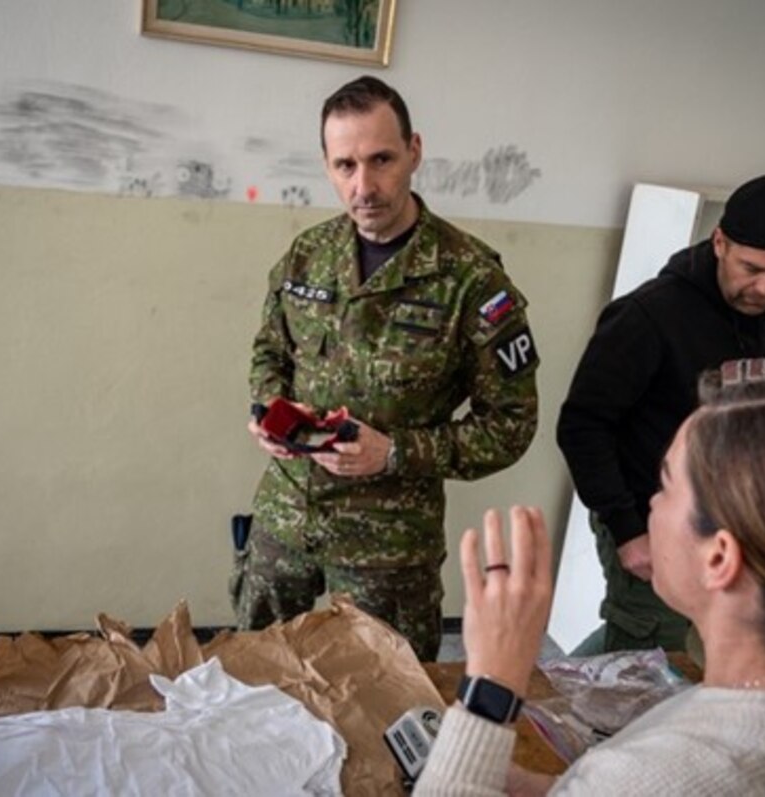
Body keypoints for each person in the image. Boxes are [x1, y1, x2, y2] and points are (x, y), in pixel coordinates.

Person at [416, 383, 765, 796]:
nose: (650, 502)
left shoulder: (668, 775)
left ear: (719, 556)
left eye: (667, 485)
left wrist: (491, 689)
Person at [230, 76, 540, 661]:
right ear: (326, 164)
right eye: (345, 165)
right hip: (285, 517)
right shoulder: (307, 255)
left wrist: (394, 452)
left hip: (390, 546)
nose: (363, 186)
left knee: (387, 704)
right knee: (254, 678)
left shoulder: (471, 279)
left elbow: (510, 425)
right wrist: (268, 409)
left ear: (415, 152)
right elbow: (270, 350)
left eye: (381, 160)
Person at [557, 174, 765, 653]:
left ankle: (545, 708)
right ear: (720, 241)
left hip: (731, 512)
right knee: (648, 641)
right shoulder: (648, 315)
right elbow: (582, 426)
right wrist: (628, 530)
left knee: (673, 639)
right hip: (648, 511)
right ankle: (538, 719)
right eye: (752, 267)